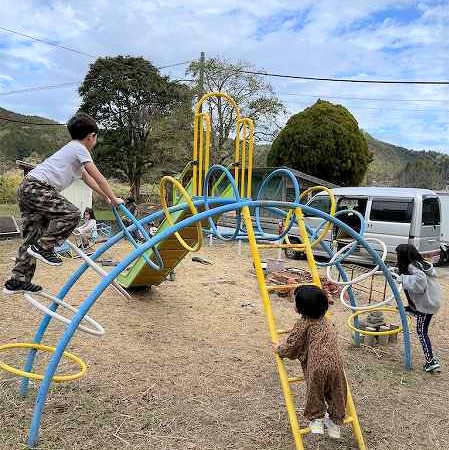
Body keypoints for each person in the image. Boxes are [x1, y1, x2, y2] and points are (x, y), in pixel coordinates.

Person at [3, 113, 123, 295]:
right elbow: (100, 178)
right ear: (91, 136)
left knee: (32, 236)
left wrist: (105, 197)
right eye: (95, 138)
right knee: (72, 214)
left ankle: (17, 281)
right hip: (37, 187)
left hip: (27, 188)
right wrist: (114, 199)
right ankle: (44, 247)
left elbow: (89, 179)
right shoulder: (79, 149)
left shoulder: (72, 151)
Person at [273, 285, 347, 439]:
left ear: (301, 308)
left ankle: (317, 419)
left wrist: (280, 349)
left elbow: (292, 346)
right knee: (337, 391)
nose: (293, 304)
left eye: (295, 302)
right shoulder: (327, 322)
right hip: (336, 364)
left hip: (317, 366)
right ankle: (334, 423)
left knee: (315, 390)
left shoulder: (303, 324)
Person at [396, 243, 441, 372]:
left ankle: (430, 361)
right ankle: (412, 307)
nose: (397, 257)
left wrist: (402, 278)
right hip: (431, 300)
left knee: (421, 331)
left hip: (427, 304)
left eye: (399, 254)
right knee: (422, 330)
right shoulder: (418, 263)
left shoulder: (412, 266)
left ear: (403, 256)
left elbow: (420, 284)